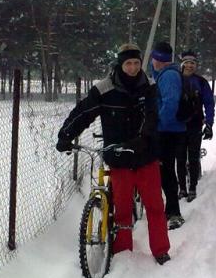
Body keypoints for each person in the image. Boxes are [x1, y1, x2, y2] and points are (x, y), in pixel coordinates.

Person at [55, 43, 171, 265]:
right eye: (128, 63)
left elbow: (153, 117)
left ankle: (160, 250)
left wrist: (143, 139)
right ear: (120, 64)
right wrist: (66, 135)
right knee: (122, 210)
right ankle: (122, 251)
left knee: (155, 206)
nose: (133, 67)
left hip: (145, 157)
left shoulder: (149, 86)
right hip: (118, 158)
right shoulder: (104, 89)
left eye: (137, 63)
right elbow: (84, 112)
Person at [150, 41, 186, 230]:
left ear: (158, 59)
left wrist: (158, 125)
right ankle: (171, 210)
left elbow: (170, 102)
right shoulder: (165, 74)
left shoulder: (169, 76)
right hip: (170, 130)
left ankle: (174, 212)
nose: (151, 62)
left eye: (153, 58)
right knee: (166, 171)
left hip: (169, 131)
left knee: (166, 171)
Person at [177, 50, 214, 202]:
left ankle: (192, 187)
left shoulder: (201, 82)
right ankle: (182, 188)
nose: (190, 65)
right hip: (177, 125)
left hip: (195, 124)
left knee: (193, 157)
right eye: (187, 63)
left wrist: (209, 123)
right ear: (182, 64)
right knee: (179, 158)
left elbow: (209, 103)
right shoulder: (175, 80)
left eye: (193, 63)